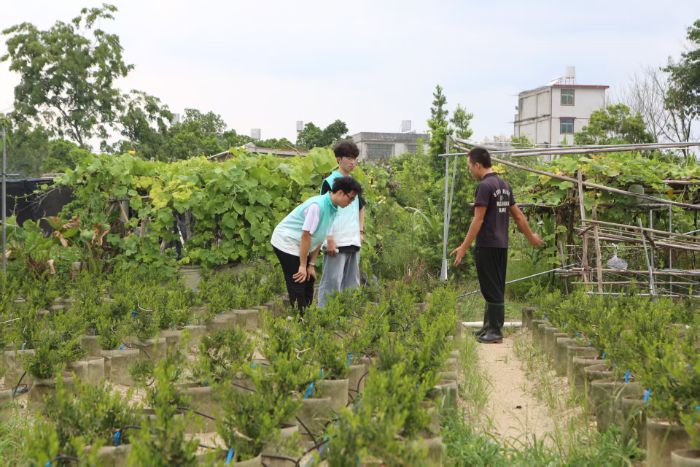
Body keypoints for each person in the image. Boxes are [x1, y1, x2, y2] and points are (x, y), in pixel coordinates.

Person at [450, 147, 543, 344]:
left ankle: (495, 331)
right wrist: (531, 237)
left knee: (491, 288)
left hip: (487, 244)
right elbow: (518, 216)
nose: (469, 170)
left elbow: (478, 220)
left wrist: (464, 247)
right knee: (494, 285)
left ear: (477, 165)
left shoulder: (484, 186)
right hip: (501, 245)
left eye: (469, 166)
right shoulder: (504, 185)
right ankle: (488, 326)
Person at [271, 176, 363, 311]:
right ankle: (300, 318)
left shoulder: (333, 208)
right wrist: (303, 265)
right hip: (286, 241)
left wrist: (311, 265)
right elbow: (306, 236)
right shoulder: (317, 206)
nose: (351, 202)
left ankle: (308, 316)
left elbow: (320, 236)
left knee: (309, 278)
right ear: (340, 193)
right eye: (351, 198)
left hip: (302, 244)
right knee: (299, 279)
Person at [317, 140, 366, 308]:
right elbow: (324, 211)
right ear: (338, 159)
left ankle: (348, 317)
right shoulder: (330, 182)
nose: (353, 162)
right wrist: (329, 237)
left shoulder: (353, 183)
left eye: (355, 158)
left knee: (352, 284)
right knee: (332, 282)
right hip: (335, 241)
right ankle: (324, 316)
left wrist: (360, 231)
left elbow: (361, 207)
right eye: (349, 158)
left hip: (352, 239)